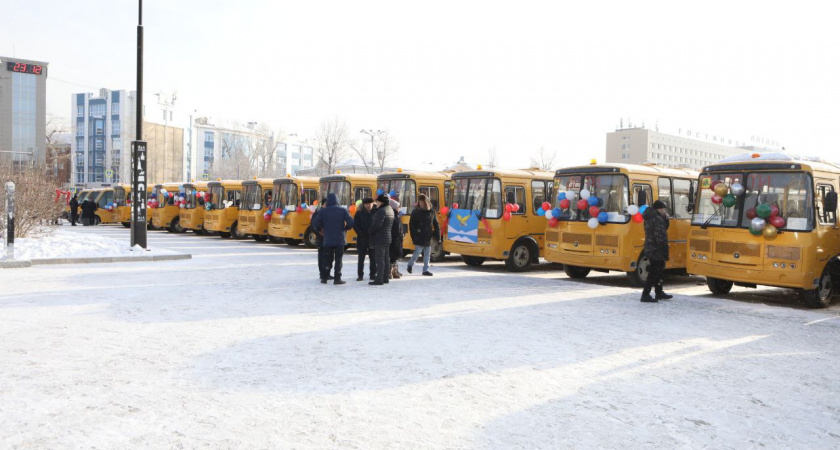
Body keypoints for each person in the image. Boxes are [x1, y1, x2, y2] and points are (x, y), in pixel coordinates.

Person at [311, 193, 354, 285]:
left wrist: (320, 230)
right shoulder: (343, 210)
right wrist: (346, 229)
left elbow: (315, 223)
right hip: (340, 239)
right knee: (339, 260)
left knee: (327, 258)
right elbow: (351, 222)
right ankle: (337, 278)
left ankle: (324, 277)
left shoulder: (323, 211)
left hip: (327, 239)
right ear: (337, 201)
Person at [641, 200, 673, 302]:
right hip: (657, 249)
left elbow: (663, 228)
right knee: (654, 272)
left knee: (658, 271)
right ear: (659, 209)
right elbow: (661, 235)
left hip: (651, 248)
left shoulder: (649, 217)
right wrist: (664, 249)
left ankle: (659, 292)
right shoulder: (657, 219)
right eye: (663, 209)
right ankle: (645, 294)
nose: (664, 210)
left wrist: (665, 219)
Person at [406, 193, 440, 276]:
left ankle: (425, 270)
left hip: (428, 235)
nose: (420, 204)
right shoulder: (416, 212)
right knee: (417, 252)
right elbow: (412, 225)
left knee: (427, 254)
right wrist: (414, 236)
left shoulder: (432, 211)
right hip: (419, 236)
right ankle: (410, 264)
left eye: (422, 202)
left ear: (426, 202)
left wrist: (437, 236)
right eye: (419, 202)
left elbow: (436, 224)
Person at [368, 194, 394, 285]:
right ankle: (385, 278)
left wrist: (370, 231)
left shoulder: (381, 211)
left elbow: (376, 225)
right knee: (386, 259)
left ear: (381, 202)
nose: (376, 203)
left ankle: (379, 279)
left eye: (377, 201)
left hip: (380, 238)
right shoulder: (390, 210)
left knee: (380, 259)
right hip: (387, 237)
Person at [353, 197, 376, 281]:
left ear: (372, 204)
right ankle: (360, 275)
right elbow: (355, 225)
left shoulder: (376, 212)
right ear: (363, 204)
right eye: (366, 204)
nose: (368, 206)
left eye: (369, 204)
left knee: (373, 258)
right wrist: (361, 233)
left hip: (372, 238)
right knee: (361, 258)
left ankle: (373, 274)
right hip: (362, 238)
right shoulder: (359, 213)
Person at [388, 198, 404, 279]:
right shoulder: (394, 216)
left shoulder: (396, 215)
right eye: (398, 207)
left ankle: (394, 271)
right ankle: (390, 272)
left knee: (395, 256)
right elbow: (396, 229)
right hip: (395, 239)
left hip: (396, 238)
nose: (400, 208)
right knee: (393, 256)